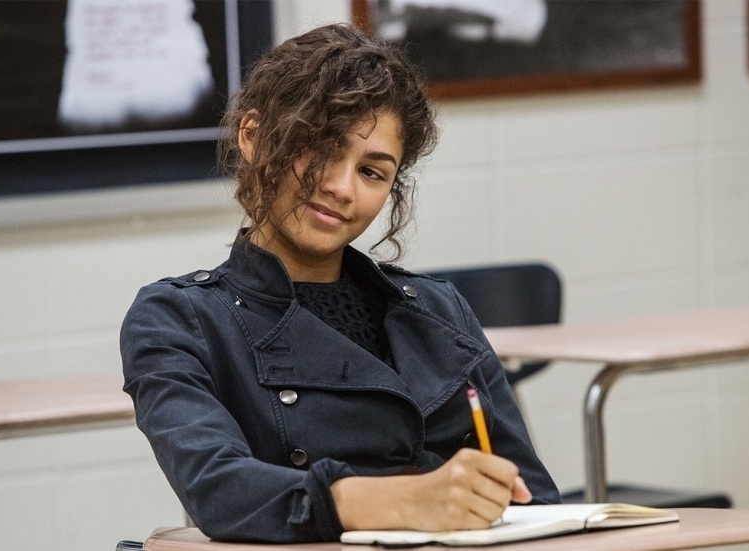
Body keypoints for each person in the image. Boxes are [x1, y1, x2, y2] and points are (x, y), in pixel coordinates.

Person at [120, 23, 560, 543]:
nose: (340, 188)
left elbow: (534, 500)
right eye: (320, 149)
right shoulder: (178, 318)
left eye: (373, 173)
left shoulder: (439, 310)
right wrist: (408, 500)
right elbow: (220, 490)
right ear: (254, 137)